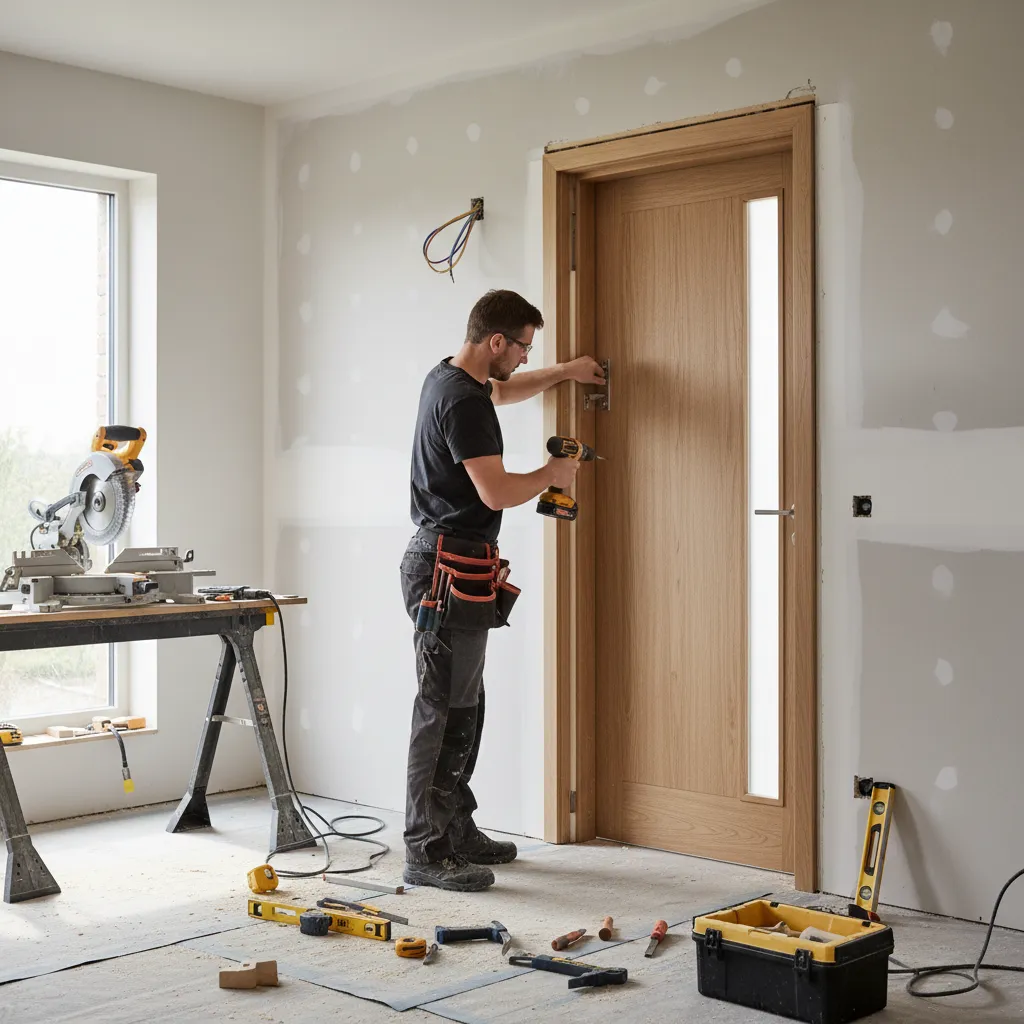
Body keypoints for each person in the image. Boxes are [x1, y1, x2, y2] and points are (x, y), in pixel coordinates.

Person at [399, 289, 605, 891]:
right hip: (445, 565)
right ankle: (426, 850)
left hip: (459, 561)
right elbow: (493, 493)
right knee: (440, 710)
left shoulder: (453, 380)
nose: (521, 359)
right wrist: (552, 475)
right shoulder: (461, 402)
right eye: (520, 347)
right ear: (496, 342)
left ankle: (456, 827)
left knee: (466, 705)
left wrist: (564, 372)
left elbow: (508, 390)